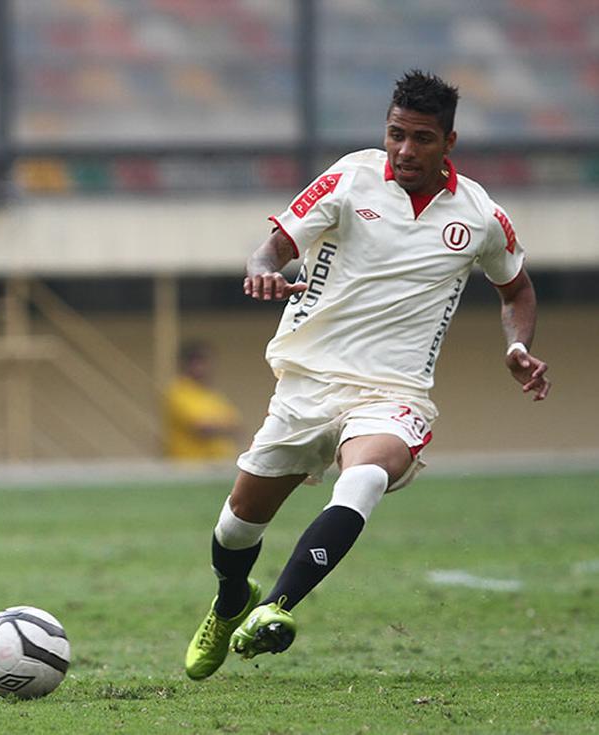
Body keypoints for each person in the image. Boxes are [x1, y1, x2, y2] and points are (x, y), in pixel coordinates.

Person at [184, 70, 551, 680]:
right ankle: (231, 600)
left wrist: (517, 347)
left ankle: (276, 608)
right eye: (396, 135)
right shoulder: (350, 178)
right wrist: (262, 270)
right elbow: (271, 247)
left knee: (367, 475)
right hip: (308, 381)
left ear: (448, 143)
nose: (405, 150)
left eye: (422, 139)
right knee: (237, 525)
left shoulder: (482, 215)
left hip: (394, 392)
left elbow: (517, 291)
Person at [164, 341, 241, 461]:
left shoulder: (212, 395)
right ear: (188, 364)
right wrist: (221, 426)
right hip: (190, 467)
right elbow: (201, 428)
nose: (206, 367)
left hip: (218, 464)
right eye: (200, 362)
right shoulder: (178, 392)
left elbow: (237, 426)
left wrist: (217, 426)